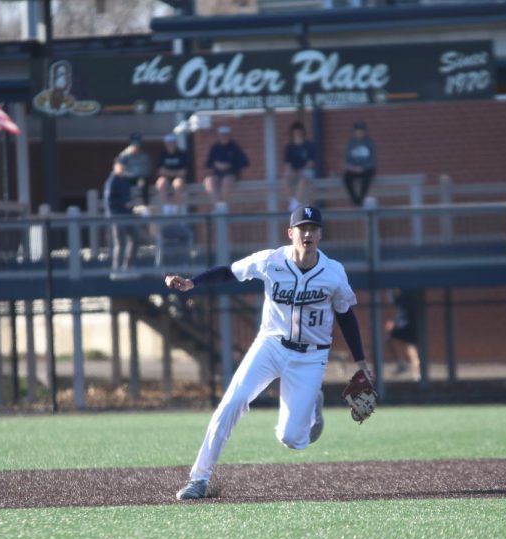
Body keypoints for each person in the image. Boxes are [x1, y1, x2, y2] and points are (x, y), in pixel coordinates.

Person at [165, 205, 372, 500]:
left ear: (321, 234)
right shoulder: (270, 260)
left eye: (313, 228)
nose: (308, 233)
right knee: (231, 402)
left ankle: (313, 406)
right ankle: (199, 479)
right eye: (302, 228)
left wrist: (361, 361)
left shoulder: (333, 272)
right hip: (270, 345)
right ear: (291, 233)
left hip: (311, 357)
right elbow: (229, 272)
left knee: (291, 439)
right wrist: (193, 282)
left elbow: (346, 316)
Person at [103, 158, 138, 270]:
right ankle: (116, 269)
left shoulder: (125, 180)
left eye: (124, 165)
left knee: (135, 239)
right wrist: (123, 204)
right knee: (120, 243)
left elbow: (128, 197)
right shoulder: (112, 180)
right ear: (115, 166)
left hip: (128, 215)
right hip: (116, 216)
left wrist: (131, 206)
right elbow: (109, 201)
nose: (123, 168)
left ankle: (128, 266)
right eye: (121, 165)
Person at [203, 125, 249, 205]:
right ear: (218, 136)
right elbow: (208, 163)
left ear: (229, 135)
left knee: (226, 182)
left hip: (231, 173)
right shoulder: (215, 148)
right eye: (222, 135)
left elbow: (245, 162)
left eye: (225, 135)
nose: (223, 137)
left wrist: (229, 165)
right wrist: (216, 164)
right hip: (217, 174)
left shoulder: (235, 147)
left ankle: (222, 205)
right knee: (208, 181)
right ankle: (218, 204)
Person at [386, 289, 421, 381]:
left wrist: (395, 323)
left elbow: (403, 313)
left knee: (411, 348)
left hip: (408, 324)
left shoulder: (406, 295)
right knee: (394, 341)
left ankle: (416, 373)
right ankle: (404, 365)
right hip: (408, 323)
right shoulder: (402, 297)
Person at [282, 122, 317, 211]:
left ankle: (295, 204)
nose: (297, 134)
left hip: (306, 171)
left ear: (302, 132)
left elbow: (311, 163)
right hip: (294, 172)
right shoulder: (289, 147)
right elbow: (287, 165)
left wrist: (301, 171)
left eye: (299, 132)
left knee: (303, 178)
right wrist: (292, 172)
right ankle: (292, 202)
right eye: (295, 133)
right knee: (285, 179)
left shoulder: (309, 146)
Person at [342, 121, 377, 207]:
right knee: (346, 177)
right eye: (358, 131)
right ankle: (355, 199)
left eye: (361, 131)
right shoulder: (351, 144)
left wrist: (363, 168)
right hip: (353, 169)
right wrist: (352, 168)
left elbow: (372, 161)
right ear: (354, 132)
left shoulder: (369, 143)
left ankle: (361, 199)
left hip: (366, 170)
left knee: (368, 176)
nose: (360, 133)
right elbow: (346, 160)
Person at [155, 133, 189, 214]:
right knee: (161, 183)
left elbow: (184, 172)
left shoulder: (182, 154)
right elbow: (160, 171)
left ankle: (175, 209)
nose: (170, 144)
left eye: (172, 142)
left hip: (178, 179)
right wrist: (175, 173)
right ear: (165, 144)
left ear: (175, 143)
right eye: (168, 142)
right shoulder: (162, 155)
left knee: (178, 184)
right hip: (167, 179)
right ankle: (167, 208)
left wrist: (169, 173)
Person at [117, 132, 152, 206]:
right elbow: (119, 168)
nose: (136, 145)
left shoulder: (144, 156)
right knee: (123, 182)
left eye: (137, 143)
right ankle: (127, 204)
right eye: (134, 143)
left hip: (140, 178)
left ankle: (146, 206)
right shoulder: (125, 155)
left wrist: (139, 174)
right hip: (129, 177)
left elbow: (147, 171)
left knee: (143, 183)